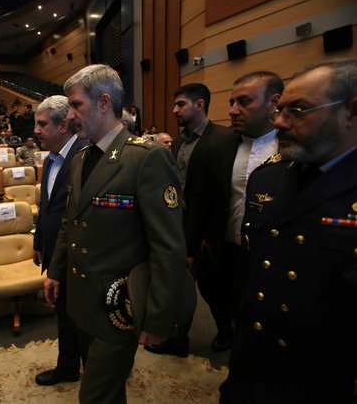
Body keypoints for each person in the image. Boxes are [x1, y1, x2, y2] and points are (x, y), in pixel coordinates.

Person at [46, 65, 196, 404]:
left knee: (94, 397)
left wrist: (158, 317)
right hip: (82, 302)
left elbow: (168, 247)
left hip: (119, 309)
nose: (69, 116)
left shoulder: (146, 158)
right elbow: (71, 223)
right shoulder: (82, 157)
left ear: (103, 103)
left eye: (76, 106)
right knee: (109, 393)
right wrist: (56, 271)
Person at [219, 59, 357, 404]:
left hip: (323, 380)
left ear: (351, 113)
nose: (279, 121)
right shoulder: (270, 175)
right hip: (252, 364)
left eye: (298, 110)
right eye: (280, 110)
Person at [185, 71, 283, 353]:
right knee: (216, 295)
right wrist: (190, 249)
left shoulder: (292, 149)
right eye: (231, 102)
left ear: (273, 102)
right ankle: (224, 330)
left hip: (268, 254)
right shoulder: (215, 148)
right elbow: (198, 202)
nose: (232, 110)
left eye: (244, 102)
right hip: (222, 247)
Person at [149, 83, 229, 357]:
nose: (174, 110)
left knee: (210, 287)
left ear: (200, 104)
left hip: (205, 230)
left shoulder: (222, 139)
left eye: (181, 104)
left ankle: (226, 331)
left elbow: (219, 196)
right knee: (180, 285)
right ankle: (179, 339)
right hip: (179, 226)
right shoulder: (181, 140)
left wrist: (205, 239)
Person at [33, 95, 86, 386]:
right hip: (56, 251)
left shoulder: (84, 155)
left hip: (79, 255)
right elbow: (48, 206)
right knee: (65, 316)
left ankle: (101, 371)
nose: (36, 131)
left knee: (84, 318)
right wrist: (40, 241)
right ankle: (67, 368)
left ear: (63, 125)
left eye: (42, 124)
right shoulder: (52, 158)